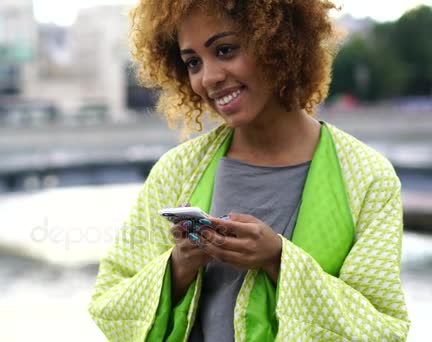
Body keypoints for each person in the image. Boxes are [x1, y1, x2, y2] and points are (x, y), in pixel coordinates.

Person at [88, 0, 410, 341]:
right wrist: (179, 266)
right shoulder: (177, 170)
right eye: (193, 62)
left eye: (225, 50)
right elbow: (110, 305)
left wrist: (278, 260)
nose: (207, 78)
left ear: (279, 43)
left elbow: (384, 329)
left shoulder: (367, 179)